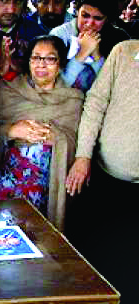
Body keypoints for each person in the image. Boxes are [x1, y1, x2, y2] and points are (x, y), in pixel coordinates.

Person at [64, 40, 139, 303]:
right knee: (98, 264)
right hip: (106, 178)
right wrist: (83, 155)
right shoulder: (125, 52)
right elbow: (95, 104)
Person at [0, 35, 84, 230]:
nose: (41, 64)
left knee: (38, 242)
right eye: (36, 57)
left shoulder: (73, 100)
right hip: (6, 183)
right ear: (28, 61)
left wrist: (55, 137)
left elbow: (78, 143)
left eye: (50, 58)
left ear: (60, 64)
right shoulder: (8, 91)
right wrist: (12, 131)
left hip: (47, 187)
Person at [49, 0, 129, 92]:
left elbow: (114, 88)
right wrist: (82, 54)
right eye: (85, 15)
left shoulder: (119, 38)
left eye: (98, 18)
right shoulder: (60, 35)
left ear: (107, 19)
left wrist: (97, 55)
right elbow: (57, 86)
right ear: (77, 11)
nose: (89, 23)